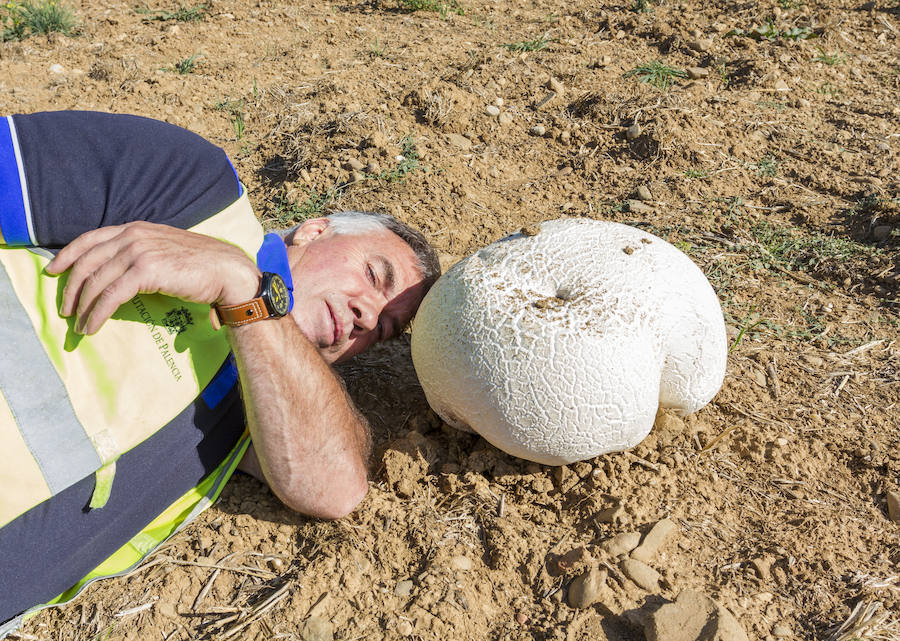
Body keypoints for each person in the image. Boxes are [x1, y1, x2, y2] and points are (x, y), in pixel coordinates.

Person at [0, 111, 440, 629]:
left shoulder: (270, 407)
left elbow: (334, 490)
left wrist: (248, 296)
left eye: (383, 329)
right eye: (373, 274)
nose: (368, 315)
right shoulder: (193, 186)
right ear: (314, 230)